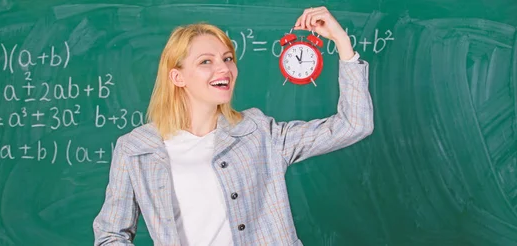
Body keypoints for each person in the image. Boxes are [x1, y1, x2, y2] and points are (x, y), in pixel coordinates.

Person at [93, 6, 373, 246]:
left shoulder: (259, 132)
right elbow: (110, 234)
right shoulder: (136, 149)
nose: (224, 69)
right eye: (206, 62)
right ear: (177, 77)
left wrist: (342, 42)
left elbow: (354, 124)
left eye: (228, 59)